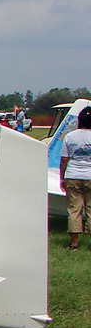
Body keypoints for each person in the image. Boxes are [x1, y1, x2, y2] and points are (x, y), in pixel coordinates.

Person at [60, 107, 91, 250]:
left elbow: (64, 159)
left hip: (73, 175)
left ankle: (74, 243)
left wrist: (62, 178)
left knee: (74, 209)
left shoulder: (70, 136)